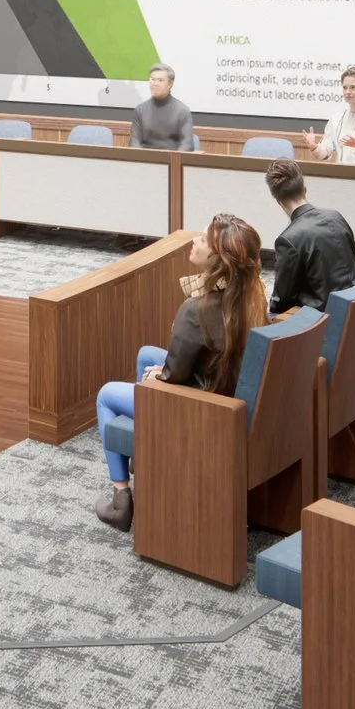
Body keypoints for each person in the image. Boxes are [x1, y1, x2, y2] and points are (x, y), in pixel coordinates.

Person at [88, 213, 267, 532]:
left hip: (203, 410)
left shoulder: (196, 310)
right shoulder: (252, 293)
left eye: (203, 239)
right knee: (146, 355)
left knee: (106, 395)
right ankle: (146, 460)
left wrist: (162, 377)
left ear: (218, 259)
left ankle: (120, 499)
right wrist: (164, 372)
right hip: (228, 391)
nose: (194, 241)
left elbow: (175, 377)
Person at [263, 159, 355, 317]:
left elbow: (281, 302)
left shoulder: (288, 240)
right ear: (304, 188)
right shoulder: (336, 216)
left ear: (276, 199)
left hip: (327, 321)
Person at [128, 64, 195, 151]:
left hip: (172, 157)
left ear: (170, 84)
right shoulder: (140, 110)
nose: (155, 84)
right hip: (145, 157)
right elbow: (134, 142)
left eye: (160, 80)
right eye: (153, 79)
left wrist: (173, 158)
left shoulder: (182, 111)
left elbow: (187, 144)